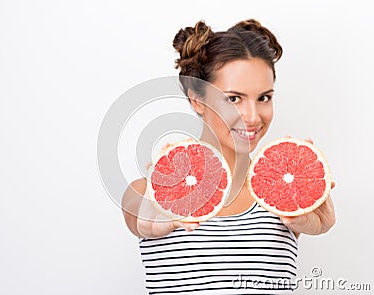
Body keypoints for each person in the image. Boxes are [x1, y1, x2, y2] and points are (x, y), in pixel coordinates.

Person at [121, 19, 336, 294]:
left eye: (264, 98)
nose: (252, 116)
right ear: (197, 99)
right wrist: (159, 214)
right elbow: (140, 216)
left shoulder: (280, 198)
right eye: (233, 99)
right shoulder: (146, 191)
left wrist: (314, 221)